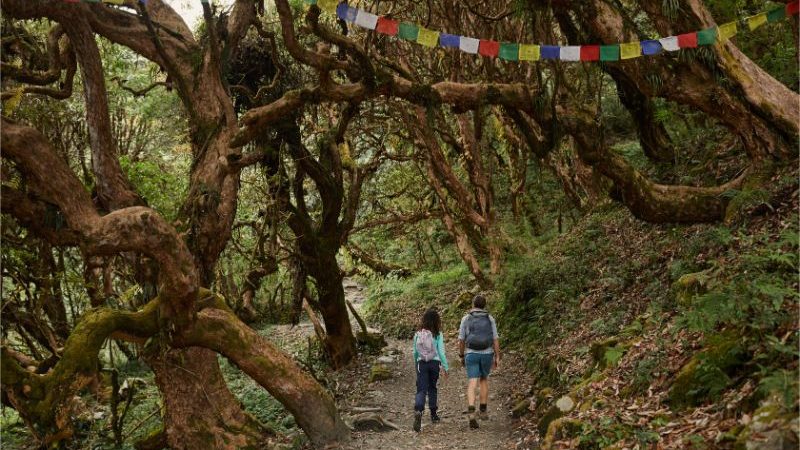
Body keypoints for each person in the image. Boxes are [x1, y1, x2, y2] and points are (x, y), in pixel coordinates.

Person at [458, 294, 500, 429]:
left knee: (472, 382)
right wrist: (497, 355)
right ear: (484, 305)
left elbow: (461, 339)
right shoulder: (490, 318)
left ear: (473, 304)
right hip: (487, 353)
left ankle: (471, 410)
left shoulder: (466, 318)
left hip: (471, 353)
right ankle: (482, 410)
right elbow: (495, 339)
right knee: (483, 380)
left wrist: (461, 355)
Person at [412, 308, 449, 432]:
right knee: (432, 387)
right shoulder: (438, 334)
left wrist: (416, 363)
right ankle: (434, 414)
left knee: (421, 389)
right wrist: (445, 367)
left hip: (421, 363)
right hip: (434, 363)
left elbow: (415, 352)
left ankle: (418, 410)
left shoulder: (418, 334)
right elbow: (441, 352)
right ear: (437, 321)